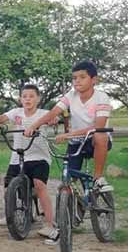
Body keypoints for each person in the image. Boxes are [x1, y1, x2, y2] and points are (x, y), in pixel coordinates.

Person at [25, 60, 113, 193]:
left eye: (82, 77)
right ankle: (73, 206)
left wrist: (68, 135)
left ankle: (98, 179)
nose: (77, 81)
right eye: (74, 78)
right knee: (67, 184)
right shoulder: (71, 95)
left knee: (100, 134)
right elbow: (53, 112)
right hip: (76, 142)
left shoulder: (101, 97)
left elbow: (98, 127)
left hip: (95, 141)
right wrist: (34, 125)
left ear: (94, 79)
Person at [0, 84, 58, 243]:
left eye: (31, 96)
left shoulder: (43, 113)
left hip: (39, 157)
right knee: (8, 186)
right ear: (20, 99)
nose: (27, 99)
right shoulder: (16, 113)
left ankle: (49, 223)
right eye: (24, 96)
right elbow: (1, 118)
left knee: (39, 185)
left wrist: (53, 121)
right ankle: (11, 213)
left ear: (38, 99)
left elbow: (54, 118)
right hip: (18, 156)